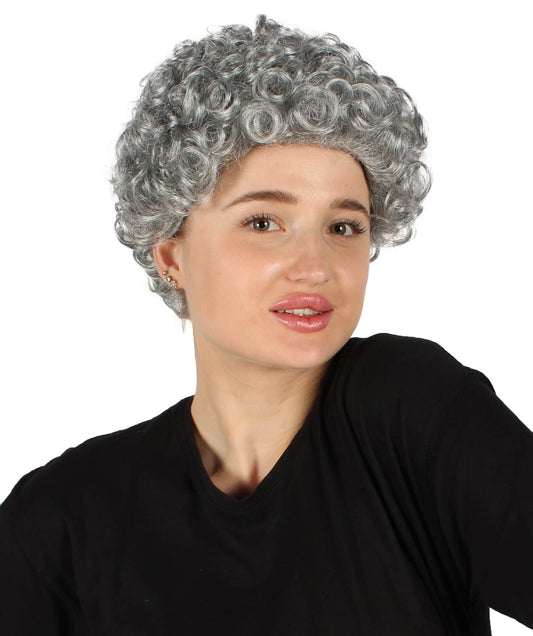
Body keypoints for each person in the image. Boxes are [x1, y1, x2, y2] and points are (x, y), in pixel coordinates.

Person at [0, 14, 531, 635]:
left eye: (343, 227)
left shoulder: (412, 414)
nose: (315, 267)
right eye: (262, 222)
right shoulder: (64, 519)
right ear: (171, 254)